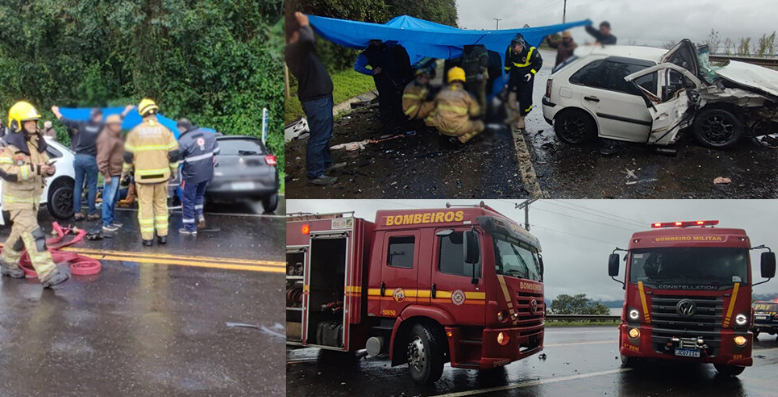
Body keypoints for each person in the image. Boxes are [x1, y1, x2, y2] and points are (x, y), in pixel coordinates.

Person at [0, 101, 69, 288]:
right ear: (16, 123)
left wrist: (49, 170)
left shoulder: (35, 143)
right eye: (28, 121)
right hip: (17, 202)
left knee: (21, 236)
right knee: (35, 235)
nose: (33, 124)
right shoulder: (6, 145)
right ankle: (48, 273)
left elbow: (45, 162)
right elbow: (7, 171)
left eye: (34, 121)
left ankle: (6, 262)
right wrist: (36, 169)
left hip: (32, 200)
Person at [285, 12, 338, 186]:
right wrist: (304, 23)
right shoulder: (294, 50)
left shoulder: (301, 50)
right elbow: (308, 40)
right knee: (319, 136)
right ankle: (315, 174)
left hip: (320, 97)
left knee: (325, 133)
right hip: (316, 99)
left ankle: (326, 164)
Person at [122, 99, 179, 247]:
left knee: (146, 207)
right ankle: (163, 236)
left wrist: (125, 175)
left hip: (143, 178)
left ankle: (147, 239)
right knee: (161, 206)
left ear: (142, 113)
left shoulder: (134, 132)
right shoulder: (166, 131)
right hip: (162, 177)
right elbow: (174, 154)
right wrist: (174, 171)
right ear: (155, 112)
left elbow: (127, 157)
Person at [51, 106, 103, 221]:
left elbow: (65, 121)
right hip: (90, 159)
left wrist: (56, 112)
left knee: (78, 185)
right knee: (92, 186)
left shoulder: (82, 123)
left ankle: (77, 213)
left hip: (78, 157)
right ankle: (91, 213)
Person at [176, 118, 219, 235]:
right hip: (206, 174)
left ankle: (190, 228)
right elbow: (216, 150)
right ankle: (199, 215)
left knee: (188, 200)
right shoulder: (208, 134)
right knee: (199, 196)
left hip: (191, 176)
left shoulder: (183, 140)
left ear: (181, 129)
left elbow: (178, 163)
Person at [354, 40, 405, 125]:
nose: (379, 42)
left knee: (398, 96)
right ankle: (387, 121)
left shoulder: (387, 46)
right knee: (385, 98)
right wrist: (372, 72)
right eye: (376, 40)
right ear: (371, 41)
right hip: (382, 79)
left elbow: (398, 41)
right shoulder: (368, 53)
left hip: (395, 76)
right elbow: (357, 67)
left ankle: (400, 118)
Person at [430, 67, 484, 145]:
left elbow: (433, 107)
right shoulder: (466, 95)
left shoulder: (441, 92)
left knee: (438, 114)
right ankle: (460, 140)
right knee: (480, 124)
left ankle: (442, 135)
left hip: (441, 128)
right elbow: (475, 113)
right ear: (462, 78)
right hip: (457, 129)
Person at [96, 113, 130, 232]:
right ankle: (106, 222)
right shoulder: (106, 137)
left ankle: (111, 219)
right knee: (108, 199)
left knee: (114, 198)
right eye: (118, 125)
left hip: (116, 172)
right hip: (111, 174)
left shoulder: (115, 135)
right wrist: (106, 175)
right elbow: (101, 158)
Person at [504, 33, 543, 131]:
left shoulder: (531, 51)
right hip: (514, 73)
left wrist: (531, 73)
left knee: (524, 97)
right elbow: (508, 61)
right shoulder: (510, 49)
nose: (515, 53)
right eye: (514, 51)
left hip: (526, 75)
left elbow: (538, 63)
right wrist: (506, 73)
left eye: (517, 51)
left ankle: (522, 118)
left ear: (521, 46)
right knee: (511, 94)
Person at [461, 44, 489, 113]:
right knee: (472, 98)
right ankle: (474, 114)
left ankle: (482, 117)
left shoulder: (479, 48)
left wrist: (481, 72)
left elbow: (484, 59)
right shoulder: (465, 50)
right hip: (469, 79)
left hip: (478, 78)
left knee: (480, 98)